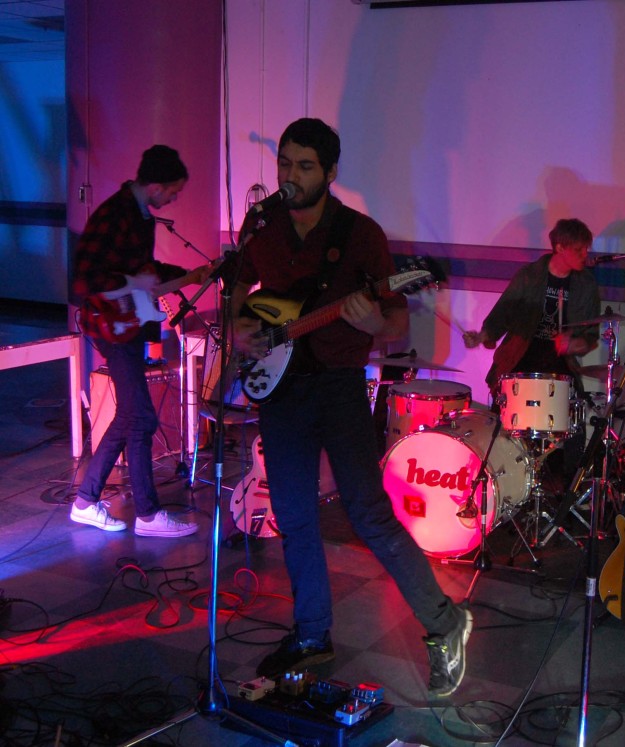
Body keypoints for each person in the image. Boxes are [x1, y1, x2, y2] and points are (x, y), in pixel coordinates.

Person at [229, 118, 471, 697]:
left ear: (331, 172)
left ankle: (444, 623)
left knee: (369, 513)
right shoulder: (260, 225)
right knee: (293, 515)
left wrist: (374, 322)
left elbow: (393, 322)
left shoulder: (360, 235)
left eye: (304, 166)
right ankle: (312, 634)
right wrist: (240, 327)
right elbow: (237, 291)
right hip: (280, 391)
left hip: (337, 386)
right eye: (284, 164)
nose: (290, 176)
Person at [71, 145, 209, 538]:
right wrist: (132, 284)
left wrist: (194, 274)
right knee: (142, 417)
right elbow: (84, 280)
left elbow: (145, 271)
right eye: (172, 192)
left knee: (131, 415)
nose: (174, 199)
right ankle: (148, 516)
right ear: (153, 186)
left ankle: (85, 502)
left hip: (126, 324)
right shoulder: (114, 215)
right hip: (109, 325)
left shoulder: (141, 215)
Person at [462, 218, 601, 491]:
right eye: (580, 250)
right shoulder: (529, 276)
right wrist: (481, 336)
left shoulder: (586, 285)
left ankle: (564, 489)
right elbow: (501, 316)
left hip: (561, 364)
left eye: (586, 248)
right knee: (501, 426)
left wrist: (574, 345)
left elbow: (590, 337)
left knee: (573, 421)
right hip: (520, 358)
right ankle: (498, 485)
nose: (586, 255)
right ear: (560, 247)